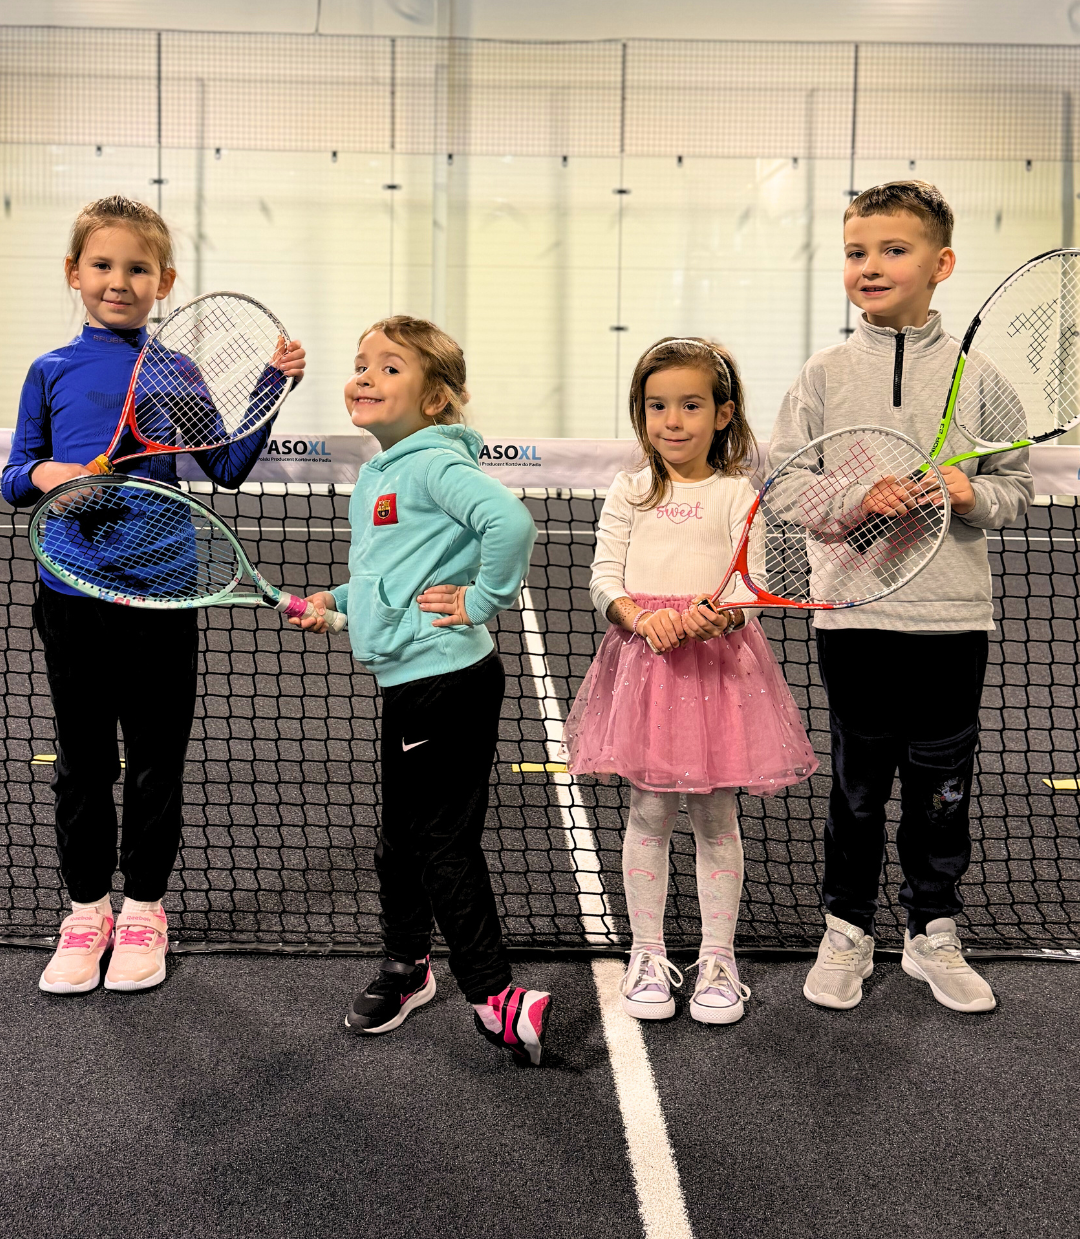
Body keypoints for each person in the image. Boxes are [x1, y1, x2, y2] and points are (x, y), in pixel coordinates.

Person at [2, 195, 305, 995]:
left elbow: (227, 466)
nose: (119, 281)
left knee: (154, 765)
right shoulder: (50, 371)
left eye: (137, 268)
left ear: (164, 282)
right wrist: (51, 473)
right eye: (102, 265)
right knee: (82, 765)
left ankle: (143, 910)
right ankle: (86, 912)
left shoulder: (177, 371)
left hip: (163, 597)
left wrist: (270, 387)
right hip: (72, 593)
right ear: (73, 274)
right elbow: (15, 476)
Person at [769, 179, 1033, 1013]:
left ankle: (932, 929)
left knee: (942, 788)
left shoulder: (981, 380)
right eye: (856, 252)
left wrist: (969, 492)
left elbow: (1016, 486)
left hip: (952, 621)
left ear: (940, 264)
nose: (871, 266)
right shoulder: (822, 375)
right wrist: (855, 501)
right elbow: (784, 485)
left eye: (893, 249)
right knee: (858, 787)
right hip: (854, 619)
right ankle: (846, 926)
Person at [295, 315, 552, 1066]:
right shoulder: (383, 471)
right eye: (361, 363)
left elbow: (510, 523)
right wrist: (338, 601)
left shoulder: (432, 464)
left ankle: (494, 997)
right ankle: (408, 966)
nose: (365, 376)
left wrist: (482, 599)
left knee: (441, 842)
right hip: (410, 680)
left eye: (390, 367)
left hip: (446, 682)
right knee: (400, 841)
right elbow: (394, 575)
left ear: (436, 398)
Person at [562, 336, 818, 1023]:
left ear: (723, 413)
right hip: (644, 665)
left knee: (714, 817)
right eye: (657, 406)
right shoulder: (630, 490)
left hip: (719, 670)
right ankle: (647, 953)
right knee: (649, 813)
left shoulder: (738, 493)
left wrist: (719, 616)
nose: (672, 421)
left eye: (691, 405)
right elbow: (603, 579)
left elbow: (747, 586)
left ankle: (717, 959)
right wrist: (641, 618)